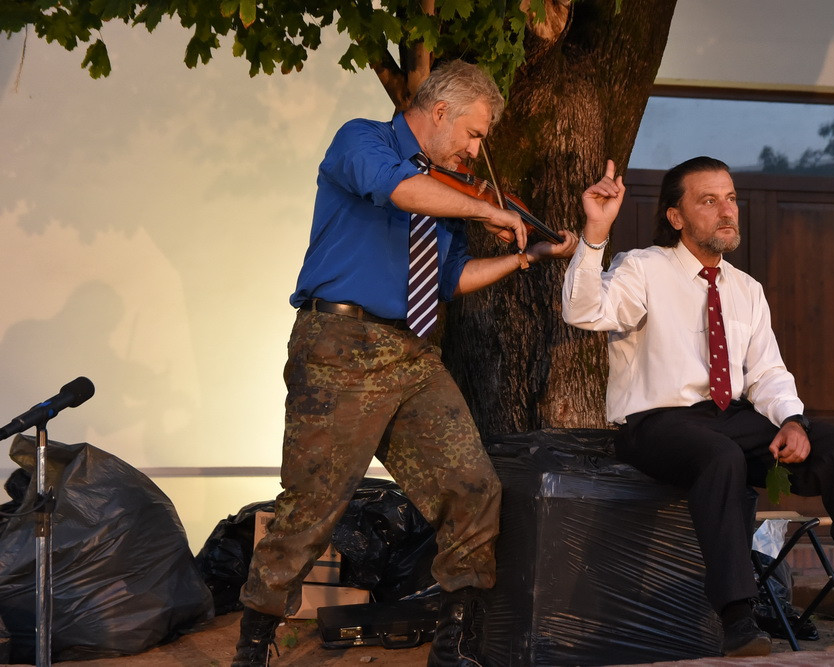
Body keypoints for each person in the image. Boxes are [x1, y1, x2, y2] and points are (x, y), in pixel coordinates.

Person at [233, 60, 579, 667]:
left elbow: (448, 279)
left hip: (414, 351)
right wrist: (486, 211)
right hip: (340, 342)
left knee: (472, 487)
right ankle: (255, 640)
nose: (476, 150)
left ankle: (456, 644)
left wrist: (527, 258)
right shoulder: (362, 140)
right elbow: (396, 188)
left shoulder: (453, 191)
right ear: (441, 110)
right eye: (474, 133)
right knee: (312, 505)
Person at [562, 156, 834, 657]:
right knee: (719, 456)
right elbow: (583, 311)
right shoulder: (643, 268)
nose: (727, 211)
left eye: (730, 198)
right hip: (655, 423)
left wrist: (792, 421)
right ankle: (737, 618)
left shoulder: (747, 289)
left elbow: (767, 372)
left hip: (729, 418)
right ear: (676, 216)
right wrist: (596, 232)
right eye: (708, 201)